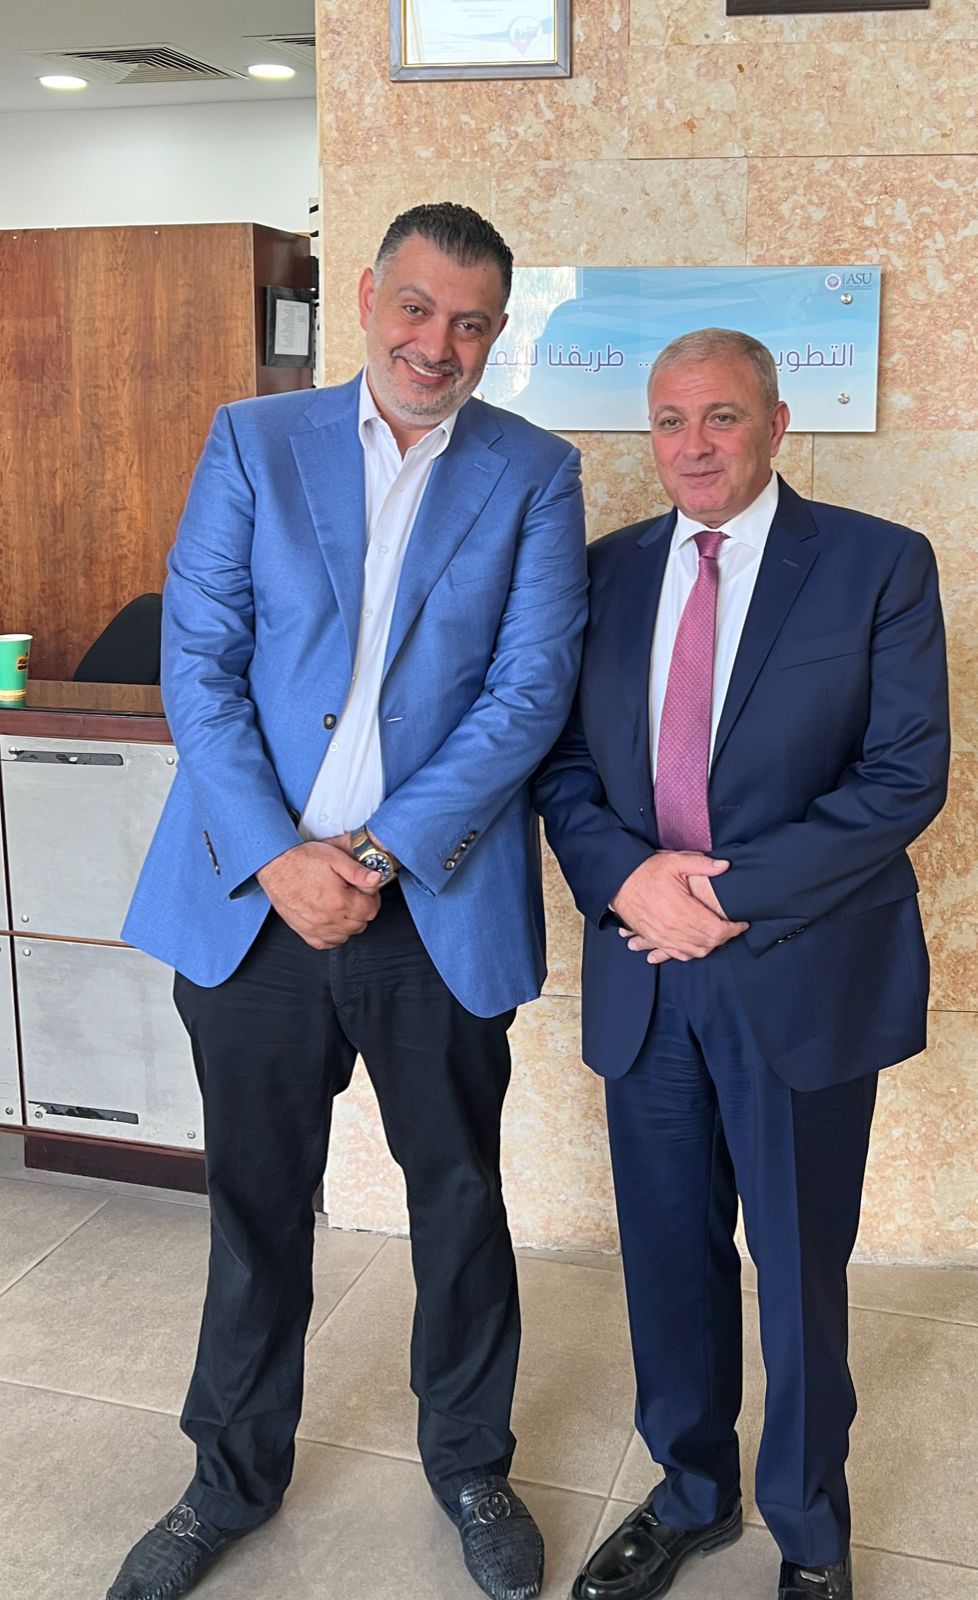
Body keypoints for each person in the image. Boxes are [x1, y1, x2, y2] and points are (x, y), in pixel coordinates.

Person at [108, 202, 588, 1600]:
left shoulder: (535, 473)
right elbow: (199, 660)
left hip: (430, 905)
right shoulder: (255, 441)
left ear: (497, 334)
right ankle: (227, 1480)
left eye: (472, 323)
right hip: (252, 906)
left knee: (458, 1201)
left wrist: (371, 856)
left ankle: (471, 1465)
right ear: (368, 295)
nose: (438, 344)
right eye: (418, 308)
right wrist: (280, 856)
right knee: (254, 1207)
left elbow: (529, 693)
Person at [535, 328, 949, 1600]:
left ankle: (811, 1530)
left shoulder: (877, 563)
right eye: (670, 420)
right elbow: (564, 763)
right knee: (669, 1252)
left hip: (795, 971)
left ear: (777, 424)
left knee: (799, 1264)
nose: (694, 445)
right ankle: (691, 1488)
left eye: (721, 416)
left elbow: (903, 776)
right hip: (644, 966)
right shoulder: (604, 571)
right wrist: (629, 881)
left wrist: (721, 896)